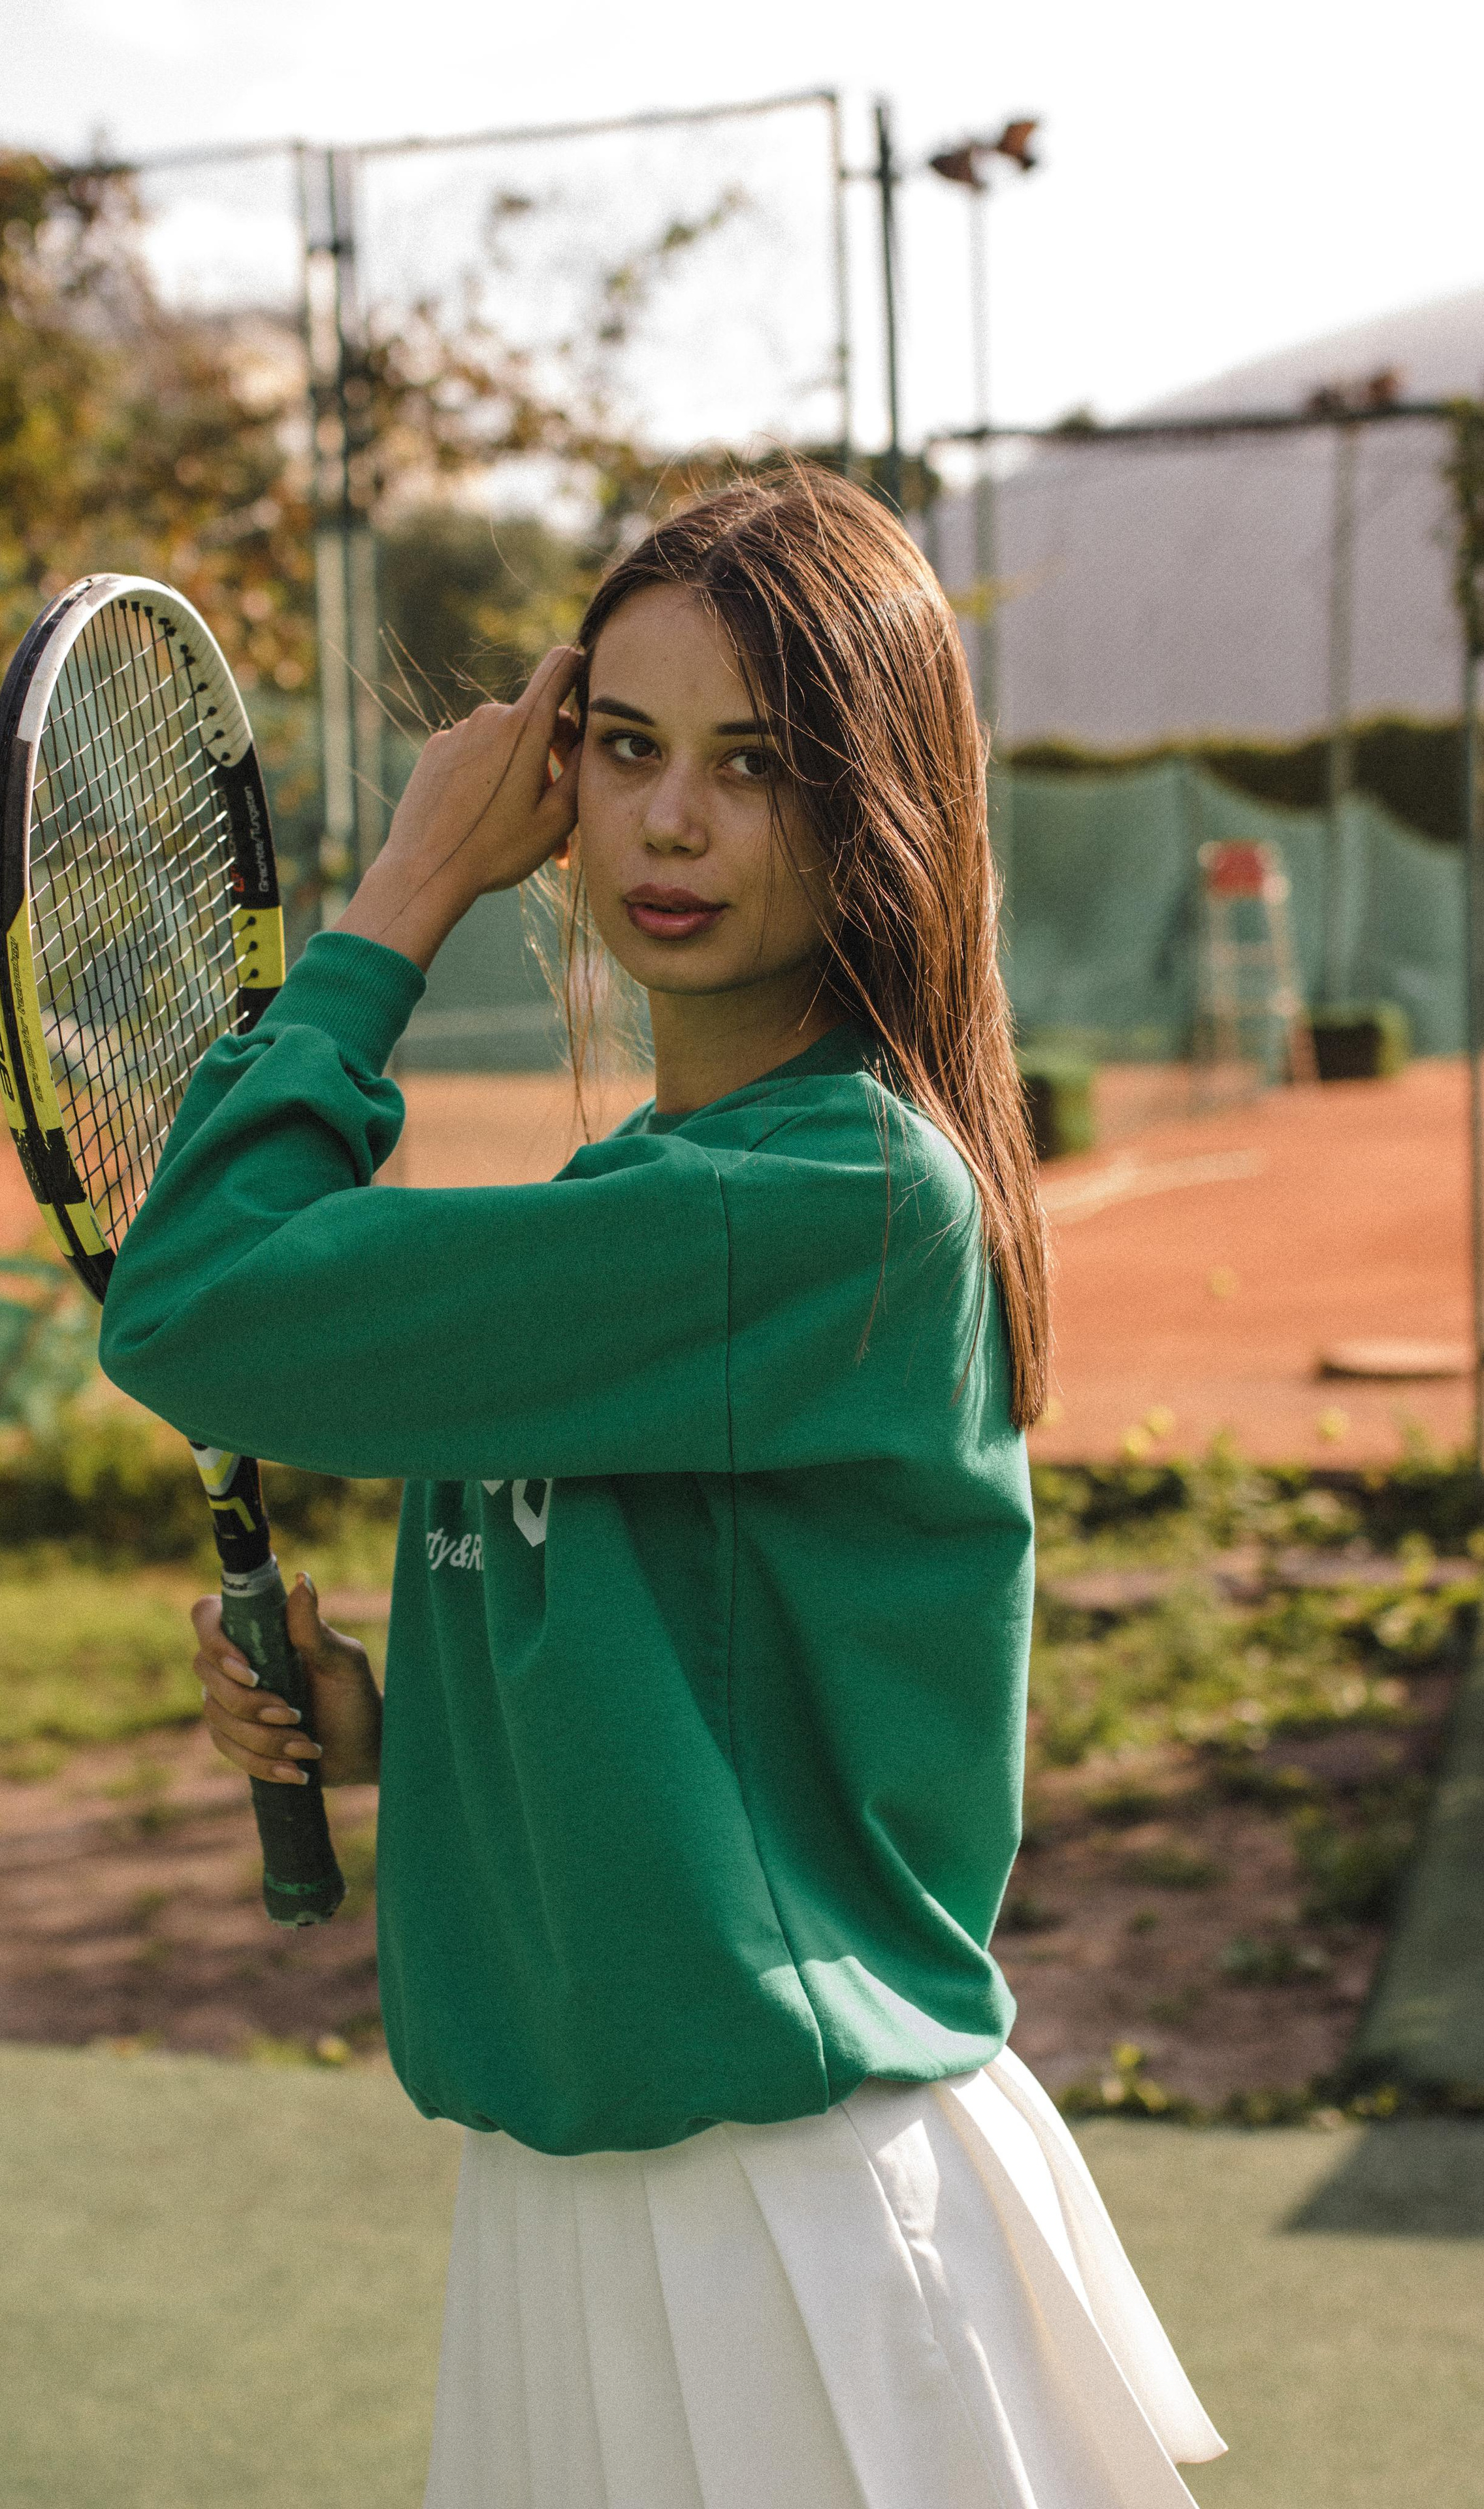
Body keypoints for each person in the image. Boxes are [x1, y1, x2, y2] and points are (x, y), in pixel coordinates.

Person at [100, 468, 1225, 2508]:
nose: (669, 822)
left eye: (758, 765)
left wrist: (400, 901)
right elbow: (688, 1670)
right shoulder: (651, 1205)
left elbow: (196, 1304)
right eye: (623, 749)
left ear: (878, 805)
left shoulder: (827, 1199)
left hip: (786, 2217)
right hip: (577, 2192)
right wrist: (405, 1730)